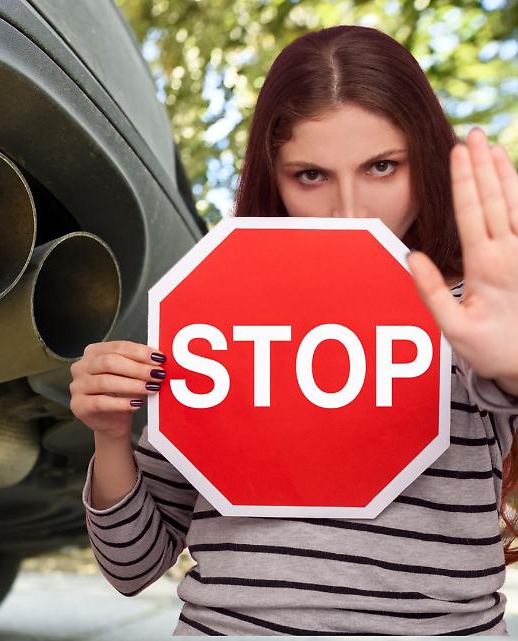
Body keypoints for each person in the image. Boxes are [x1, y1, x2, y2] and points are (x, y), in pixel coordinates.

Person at [70, 24, 518, 635]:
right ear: (272, 180)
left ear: (427, 162)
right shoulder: (218, 314)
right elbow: (133, 566)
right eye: (311, 175)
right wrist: (110, 435)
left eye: (382, 166)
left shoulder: (483, 312)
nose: (351, 211)